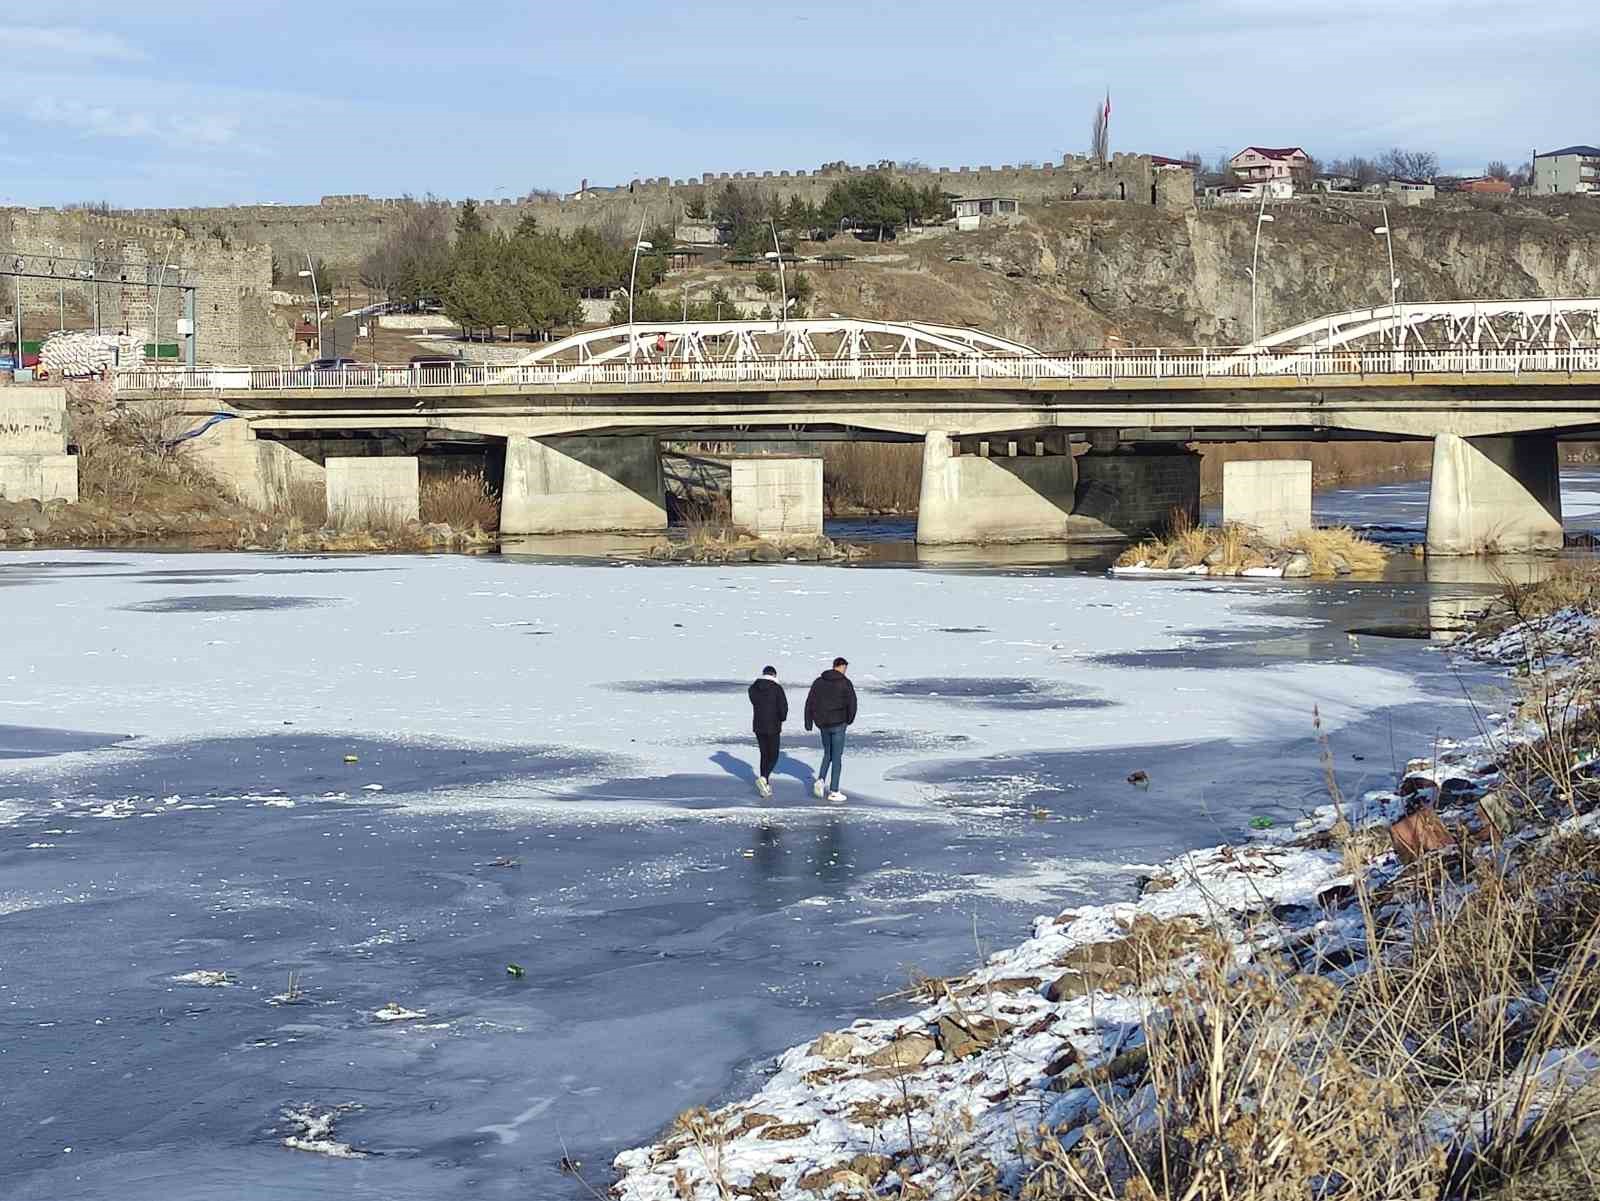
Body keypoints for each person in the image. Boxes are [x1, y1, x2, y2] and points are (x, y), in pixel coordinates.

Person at [804, 657, 857, 802]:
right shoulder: (845, 683)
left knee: (828, 753)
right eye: (845, 667)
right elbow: (852, 703)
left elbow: (810, 702)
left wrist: (809, 722)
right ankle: (834, 790)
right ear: (840, 667)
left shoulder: (819, 682)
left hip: (823, 724)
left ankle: (820, 780)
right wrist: (849, 719)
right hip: (839, 724)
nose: (845, 670)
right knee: (837, 757)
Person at [747, 665, 788, 798]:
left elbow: (753, 698)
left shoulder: (754, 687)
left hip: (758, 725)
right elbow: (783, 707)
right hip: (773, 726)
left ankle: (765, 785)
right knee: (774, 755)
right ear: (774, 675)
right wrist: (782, 718)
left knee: (764, 754)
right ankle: (764, 778)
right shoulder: (777, 688)